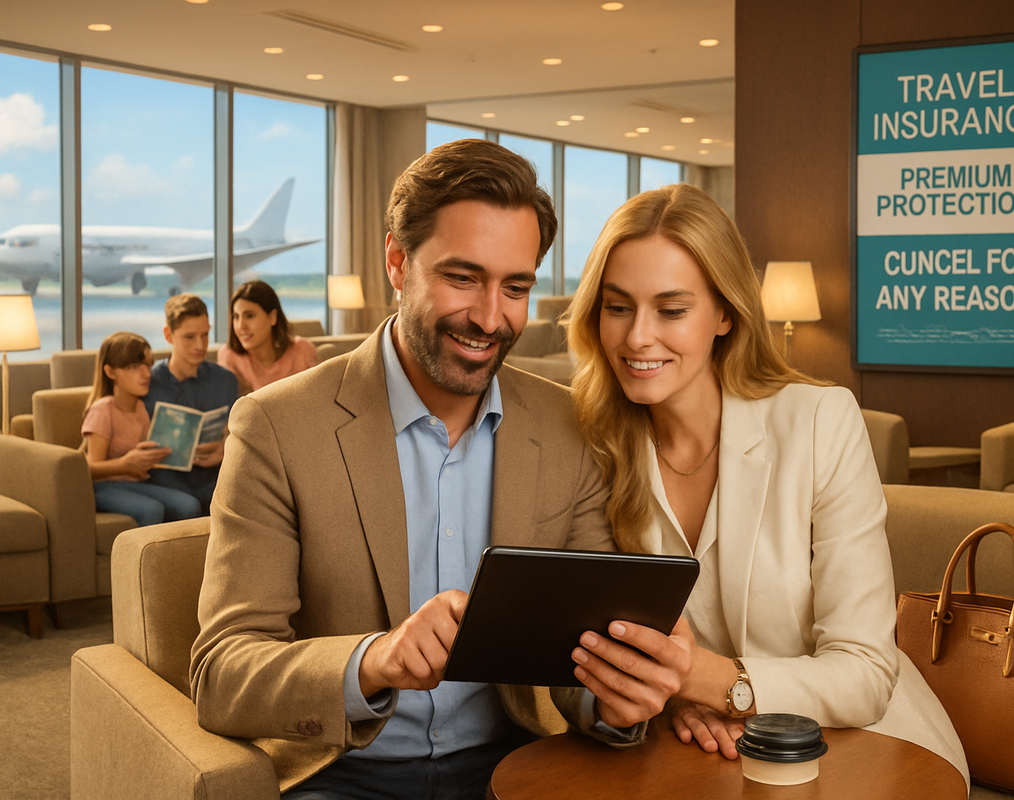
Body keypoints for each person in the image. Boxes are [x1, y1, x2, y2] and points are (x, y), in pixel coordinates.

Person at [190, 139, 687, 800]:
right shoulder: (277, 428)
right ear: (398, 261)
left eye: (515, 288)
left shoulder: (573, 428)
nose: (490, 317)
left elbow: (578, 654)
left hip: (518, 764)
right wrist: (375, 661)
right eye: (463, 277)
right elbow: (223, 671)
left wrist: (615, 698)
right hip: (342, 773)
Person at [565, 183, 970, 789]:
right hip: (689, 754)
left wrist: (717, 685)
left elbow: (863, 673)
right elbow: (574, 655)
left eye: (671, 310)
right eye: (617, 306)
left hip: (861, 748)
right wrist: (631, 703)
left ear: (725, 313)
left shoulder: (819, 422)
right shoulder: (589, 442)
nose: (636, 337)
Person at [82, 331, 203, 527]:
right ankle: (147, 558)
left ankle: (182, 557)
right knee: (151, 509)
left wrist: (182, 451)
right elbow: (89, 468)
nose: (147, 374)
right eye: (134, 367)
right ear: (110, 372)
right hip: (103, 486)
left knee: (189, 505)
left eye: (147, 365)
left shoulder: (140, 408)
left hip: (137, 484)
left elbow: (148, 453)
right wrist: (125, 464)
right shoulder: (103, 409)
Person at [143, 293, 239, 513]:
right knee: (190, 504)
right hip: (166, 479)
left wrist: (224, 449)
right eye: (189, 337)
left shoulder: (225, 380)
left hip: (215, 474)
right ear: (169, 335)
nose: (200, 345)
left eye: (205, 335)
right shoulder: (147, 383)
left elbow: (238, 433)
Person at [217, 279, 318, 392]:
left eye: (250, 316)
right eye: (236, 317)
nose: (241, 326)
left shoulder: (302, 351)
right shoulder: (229, 356)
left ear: (272, 317)